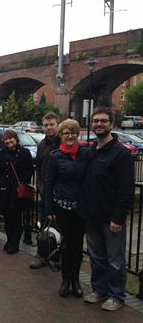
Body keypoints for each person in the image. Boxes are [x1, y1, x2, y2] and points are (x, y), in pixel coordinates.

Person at [79, 107, 134, 311]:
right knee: (97, 257)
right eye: (95, 121)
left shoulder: (121, 154)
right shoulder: (91, 151)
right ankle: (99, 290)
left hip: (111, 218)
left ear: (111, 124)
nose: (99, 124)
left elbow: (126, 190)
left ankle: (116, 295)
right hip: (92, 215)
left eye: (103, 121)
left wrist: (118, 218)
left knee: (115, 261)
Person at [44, 119, 89, 298]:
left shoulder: (85, 154)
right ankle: (65, 280)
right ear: (61, 136)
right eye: (66, 133)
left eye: (73, 132)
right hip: (61, 207)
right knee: (66, 244)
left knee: (77, 246)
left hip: (80, 208)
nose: (69, 136)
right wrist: (49, 209)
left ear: (77, 134)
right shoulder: (55, 157)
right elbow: (49, 184)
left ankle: (76, 281)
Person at [30, 112, 61, 269]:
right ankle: (41, 255)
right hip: (45, 193)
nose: (49, 127)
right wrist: (40, 186)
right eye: (46, 125)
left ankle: (57, 257)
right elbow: (39, 167)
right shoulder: (42, 144)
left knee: (60, 227)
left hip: (61, 195)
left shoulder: (64, 142)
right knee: (44, 226)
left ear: (58, 124)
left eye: (52, 124)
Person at [0, 129, 34, 254]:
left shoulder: (24, 152)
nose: (8, 141)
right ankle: (9, 239)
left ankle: (15, 242)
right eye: (6, 139)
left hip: (18, 189)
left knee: (16, 216)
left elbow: (30, 169)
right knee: (7, 216)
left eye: (11, 138)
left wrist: (23, 181)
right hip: (6, 189)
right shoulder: (2, 152)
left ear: (16, 139)